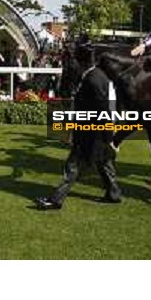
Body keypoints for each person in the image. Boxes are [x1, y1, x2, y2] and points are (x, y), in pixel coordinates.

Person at [35, 41, 122, 210]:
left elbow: (102, 109)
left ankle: (56, 200)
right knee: (104, 163)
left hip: (91, 132)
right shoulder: (97, 75)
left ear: (80, 62)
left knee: (72, 166)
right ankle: (114, 193)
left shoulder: (92, 79)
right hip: (98, 131)